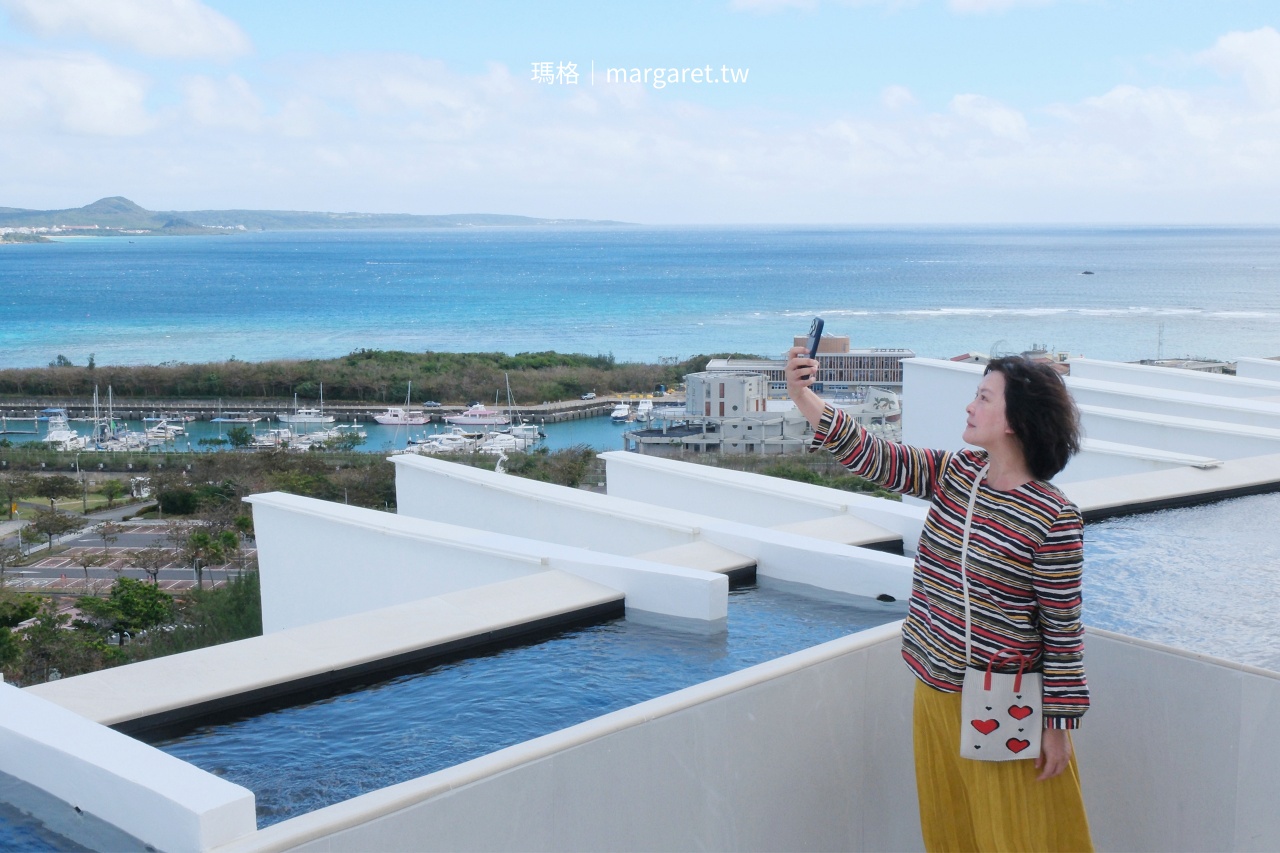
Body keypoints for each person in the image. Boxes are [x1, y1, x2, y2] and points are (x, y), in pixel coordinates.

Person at [786, 348, 1093, 852]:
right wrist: (803, 396)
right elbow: (876, 456)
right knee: (951, 831)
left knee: (1021, 835)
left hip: (1005, 700)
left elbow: (1063, 630)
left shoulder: (1053, 516)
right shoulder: (958, 475)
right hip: (935, 687)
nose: (969, 407)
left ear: (1017, 420)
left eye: (983, 397)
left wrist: (1057, 727)